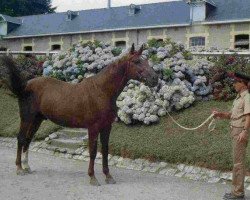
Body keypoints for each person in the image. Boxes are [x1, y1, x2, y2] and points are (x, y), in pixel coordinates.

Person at [213, 72, 250, 200]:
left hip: (240, 132)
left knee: (238, 163)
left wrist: (244, 131)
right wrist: (220, 114)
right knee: (236, 162)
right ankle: (235, 191)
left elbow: (248, 116)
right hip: (235, 130)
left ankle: (238, 194)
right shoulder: (239, 97)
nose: (234, 84)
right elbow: (232, 115)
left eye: (236, 82)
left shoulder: (247, 97)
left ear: (243, 84)